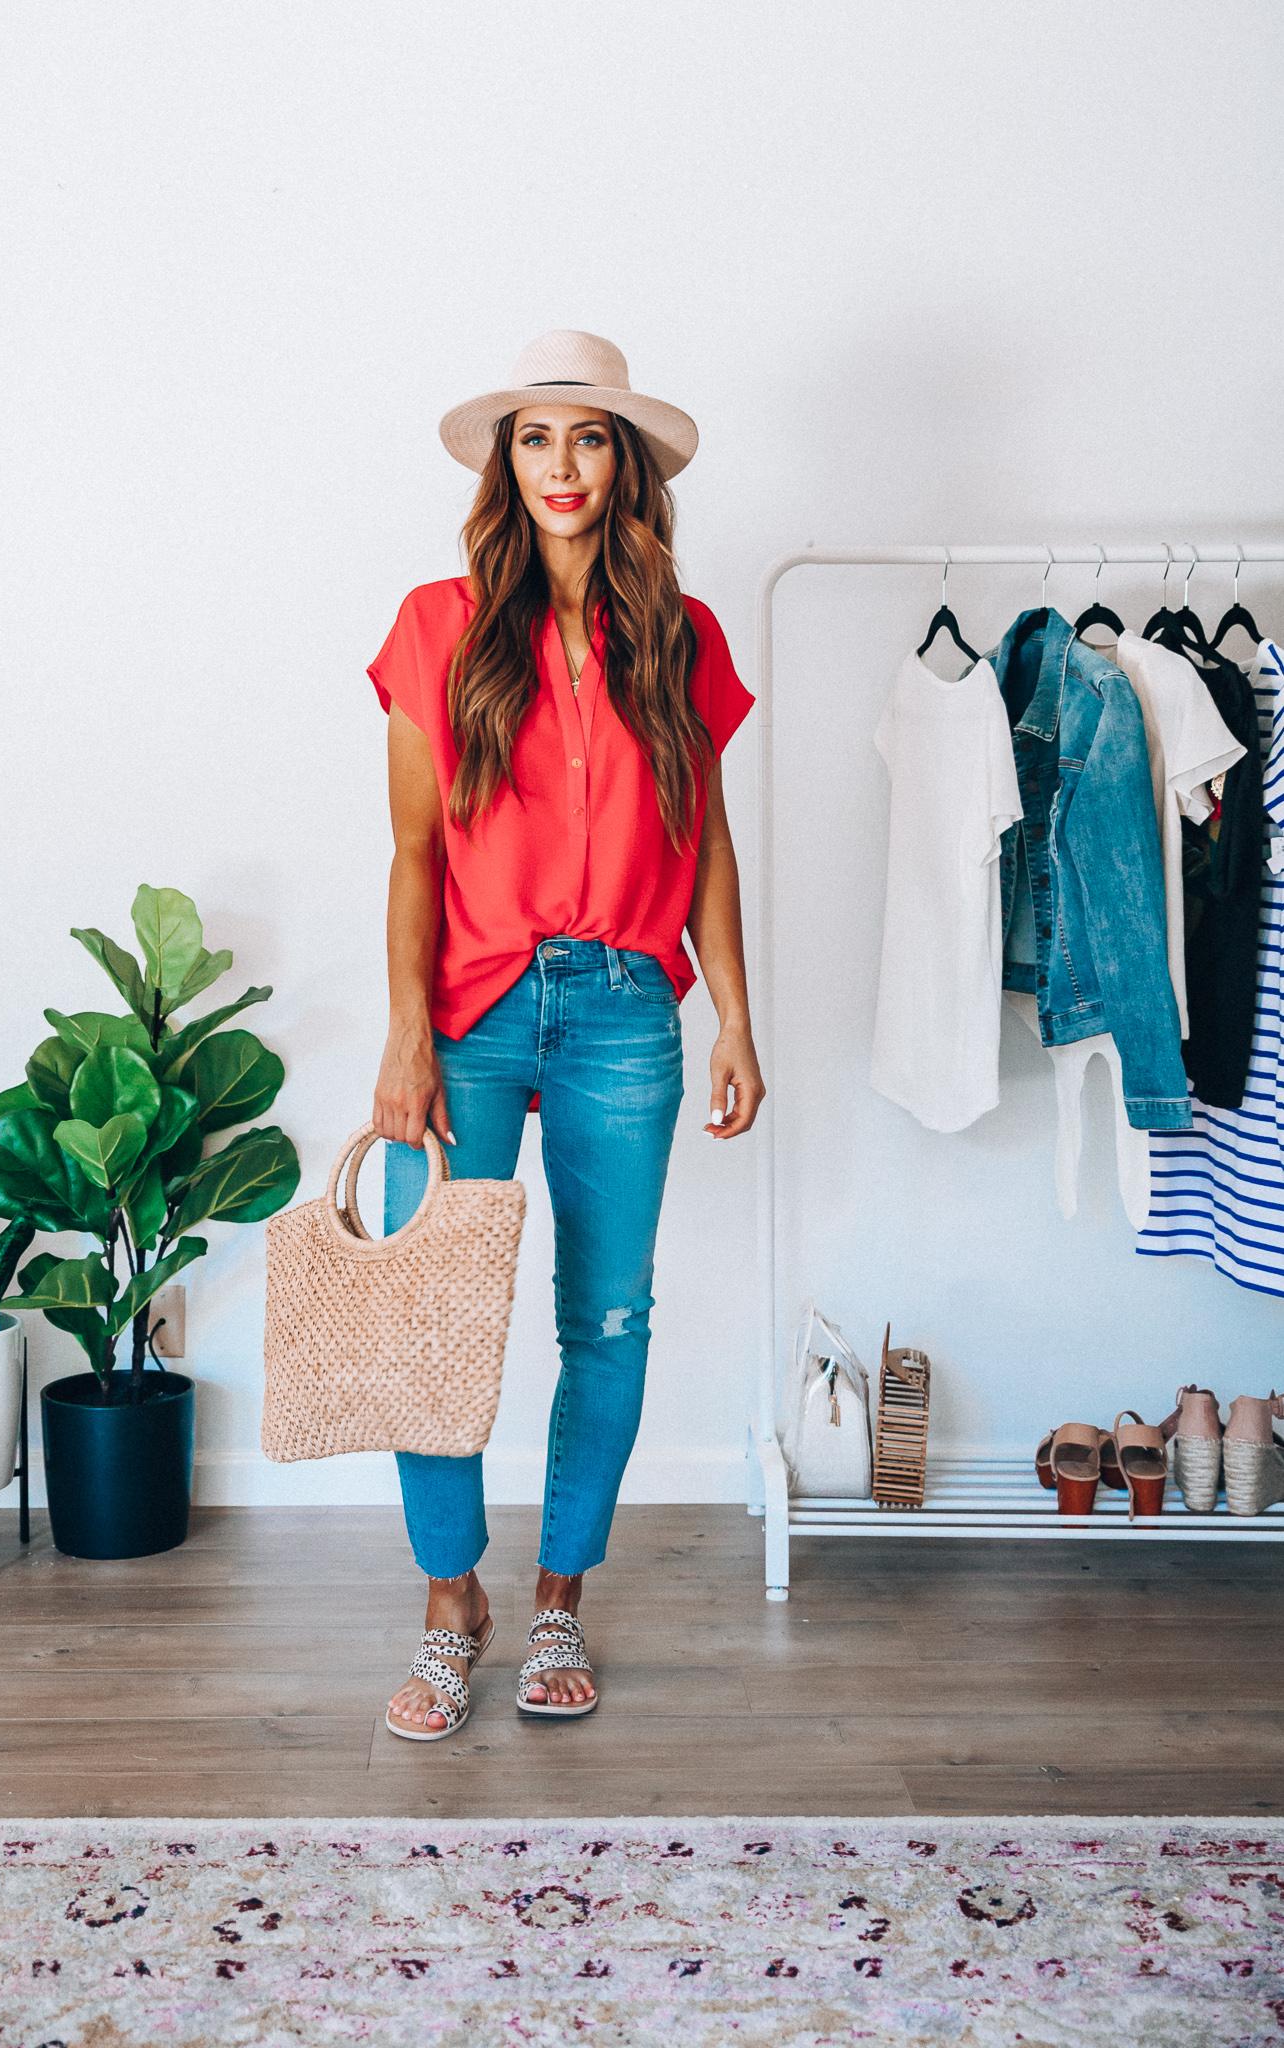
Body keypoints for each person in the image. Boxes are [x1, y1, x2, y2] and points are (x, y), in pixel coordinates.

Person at [368, 330, 764, 1740]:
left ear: (627, 464)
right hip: (473, 1005)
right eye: (536, 439)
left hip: (623, 1013)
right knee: (437, 1315)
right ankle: (447, 1602)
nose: (562, 466)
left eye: (589, 439)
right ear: (505, 462)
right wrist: (407, 1031)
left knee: (606, 1318)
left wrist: (732, 1013)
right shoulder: (437, 625)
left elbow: (704, 834)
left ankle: (555, 1603)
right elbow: (415, 850)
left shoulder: (684, 632)